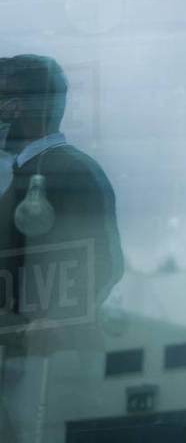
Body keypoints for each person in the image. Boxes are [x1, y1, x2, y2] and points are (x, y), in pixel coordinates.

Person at [0, 54, 124, 442]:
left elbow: (106, 262)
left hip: (45, 370)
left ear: (17, 106)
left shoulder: (72, 170)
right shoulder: (19, 177)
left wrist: (54, 321)